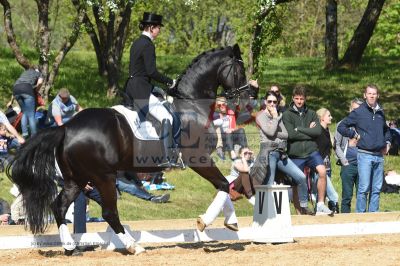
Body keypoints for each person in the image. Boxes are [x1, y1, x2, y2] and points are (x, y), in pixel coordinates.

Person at [125, 12, 182, 168]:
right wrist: (170, 81)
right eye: (158, 28)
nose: (159, 31)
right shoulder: (148, 44)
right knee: (167, 117)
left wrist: (155, 87)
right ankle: (167, 158)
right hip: (141, 88)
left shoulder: (136, 42)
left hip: (131, 86)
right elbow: (151, 72)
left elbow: (140, 71)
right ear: (151, 28)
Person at [338, 85, 391, 213]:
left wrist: (387, 142)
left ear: (377, 95)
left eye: (374, 94)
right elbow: (342, 127)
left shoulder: (380, 112)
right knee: (364, 188)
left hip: (379, 156)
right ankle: (361, 218)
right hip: (364, 155)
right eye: (369, 93)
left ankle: (373, 217)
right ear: (365, 95)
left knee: (376, 189)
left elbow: (386, 130)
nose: (372, 96)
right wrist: (354, 135)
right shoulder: (358, 112)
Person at [253, 91, 309, 214]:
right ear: (265, 102)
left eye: (274, 102)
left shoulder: (278, 115)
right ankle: (265, 214)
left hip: (281, 154)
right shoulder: (261, 116)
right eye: (269, 101)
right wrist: (274, 120)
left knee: (301, 177)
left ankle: (304, 206)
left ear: (278, 103)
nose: (272, 104)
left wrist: (273, 126)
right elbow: (270, 133)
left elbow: (286, 134)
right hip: (269, 153)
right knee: (269, 185)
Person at [282, 85, 333, 215]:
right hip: (295, 153)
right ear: (293, 98)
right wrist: (308, 131)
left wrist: (299, 129)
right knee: (297, 183)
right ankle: (300, 212)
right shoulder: (287, 114)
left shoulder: (311, 113)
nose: (299, 101)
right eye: (297, 98)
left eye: (302, 99)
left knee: (322, 172)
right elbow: (290, 135)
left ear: (305, 99)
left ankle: (320, 204)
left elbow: (317, 132)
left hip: (311, 150)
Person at [334, 98, 363, 213]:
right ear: (350, 109)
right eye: (354, 109)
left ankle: (362, 219)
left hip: (363, 163)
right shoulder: (342, 124)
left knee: (362, 193)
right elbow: (336, 144)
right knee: (347, 195)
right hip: (348, 163)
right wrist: (343, 160)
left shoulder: (364, 125)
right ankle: (345, 220)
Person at [314, 108, 339, 213]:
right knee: (333, 196)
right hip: (318, 169)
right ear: (322, 118)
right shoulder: (317, 131)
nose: (331, 117)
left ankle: (319, 219)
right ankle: (333, 214)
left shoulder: (327, 131)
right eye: (328, 115)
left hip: (328, 168)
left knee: (321, 197)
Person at [13, 67, 43, 137]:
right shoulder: (39, 73)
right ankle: (34, 136)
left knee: (24, 112)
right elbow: (40, 82)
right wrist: (36, 90)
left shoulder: (26, 71)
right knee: (31, 115)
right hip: (27, 90)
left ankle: (25, 133)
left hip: (15, 89)